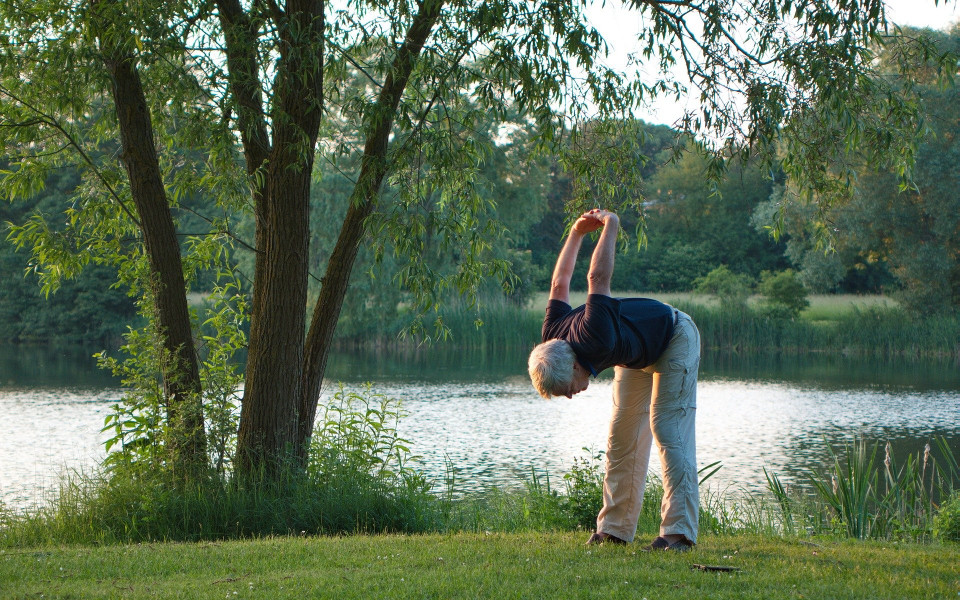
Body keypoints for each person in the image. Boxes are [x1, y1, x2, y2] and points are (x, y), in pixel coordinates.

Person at [527, 208, 701, 552]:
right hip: (635, 353)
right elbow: (559, 284)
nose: (572, 396)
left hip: (675, 337)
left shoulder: (595, 336)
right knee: (621, 437)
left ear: (575, 367)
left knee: (667, 428)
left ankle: (679, 534)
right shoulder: (552, 337)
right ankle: (614, 530)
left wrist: (611, 226)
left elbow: (597, 279)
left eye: (566, 391)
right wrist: (576, 233)